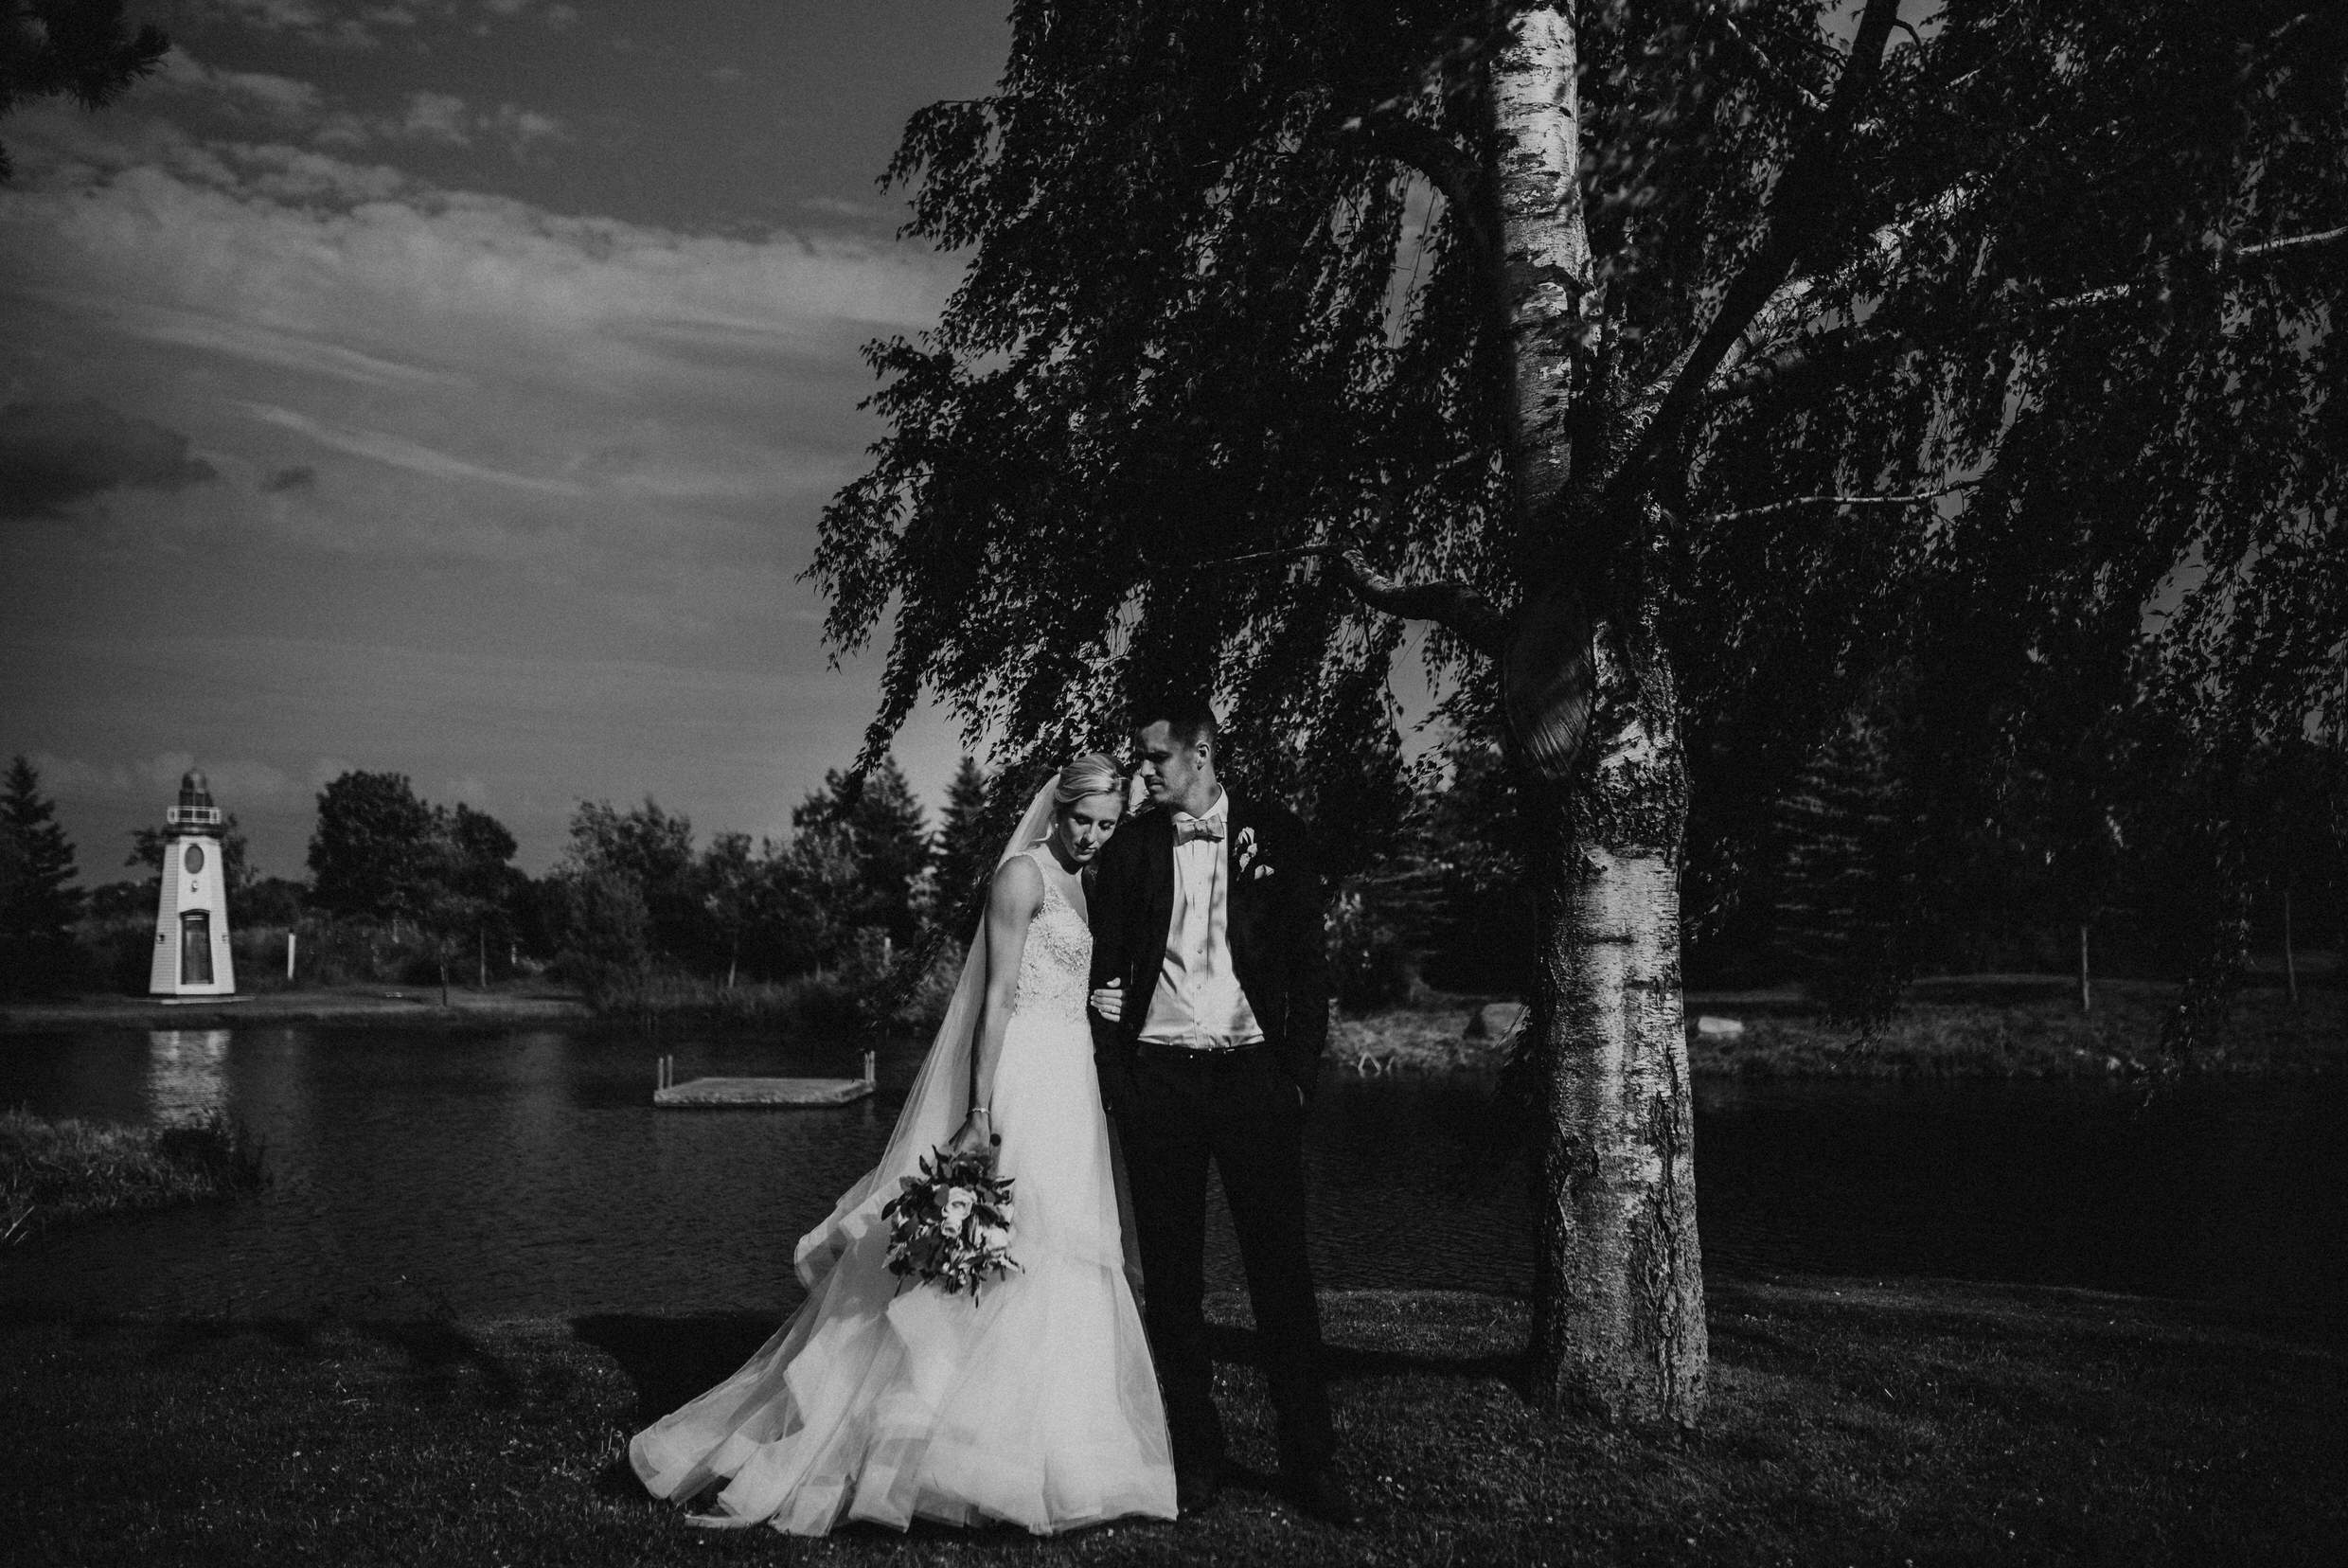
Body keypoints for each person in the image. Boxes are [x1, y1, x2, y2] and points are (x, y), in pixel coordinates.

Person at [629, 755, 1176, 1536]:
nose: (1091, 836)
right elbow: (995, 995)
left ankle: (1052, 1457)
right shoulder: (1020, 877)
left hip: (1072, 1078)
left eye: (1105, 825)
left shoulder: (1088, 882)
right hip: (1023, 1073)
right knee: (999, 1251)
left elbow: (1065, 979)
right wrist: (984, 1108)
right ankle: (923, 1453)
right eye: (1082, 820)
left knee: (1062, 1253)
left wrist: (1099, 997)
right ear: (1056, 809)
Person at [1086, 698, 1353, 1525]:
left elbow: (1310, 970)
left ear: (1200, 754)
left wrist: (1297, 1080)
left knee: (1281, 1274)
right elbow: (1103, 967)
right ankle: (1196, 1455)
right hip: (1158, 1083)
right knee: (1173, 1282)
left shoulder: (1278, 835)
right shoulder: (1130, 847)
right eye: (1138, 760)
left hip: (1252, 1081)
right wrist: (1116, 1072)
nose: (1142, 773)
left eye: (1154, 759)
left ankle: (1310, 1459)